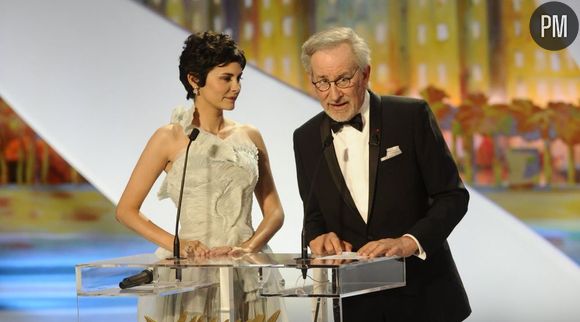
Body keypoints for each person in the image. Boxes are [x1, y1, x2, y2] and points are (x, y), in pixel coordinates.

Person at [293, 27, 471, 322]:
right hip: (354, 304)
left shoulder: (410, 116)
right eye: (322, 83)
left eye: (343, 80)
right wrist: (318, 237)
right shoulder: (306, 138)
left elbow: (452, 196)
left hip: (425, 298)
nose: (333, 94)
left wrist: (409, 241)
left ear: (365, 73)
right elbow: (313, 216)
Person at [116, 31, 286, 322]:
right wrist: (177, 244)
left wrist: (246, 249)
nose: (236, 87)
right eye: (226, 78)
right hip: (192, 271)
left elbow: (275, 212)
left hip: (245, 270)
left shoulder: (250, 136)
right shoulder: (169, 137)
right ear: (195, 80)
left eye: (239, 77)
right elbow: (126, 211)